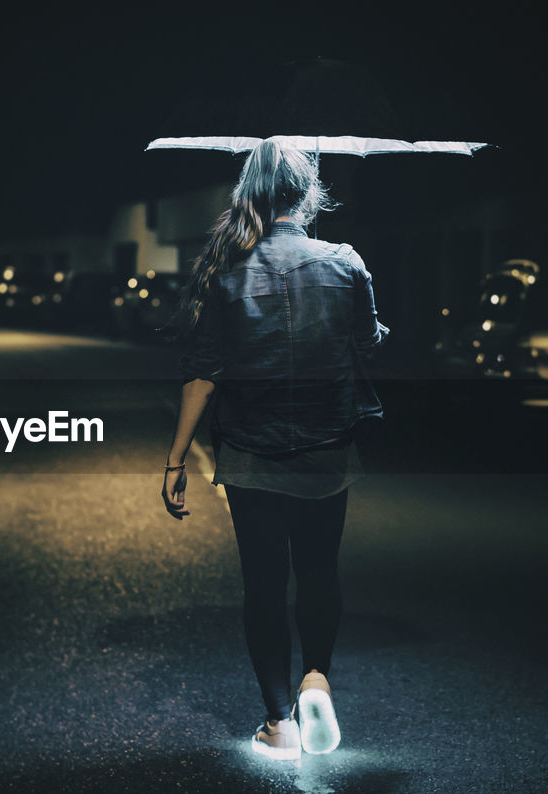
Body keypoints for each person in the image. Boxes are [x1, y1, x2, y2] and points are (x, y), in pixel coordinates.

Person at [160, 137, 390, 760]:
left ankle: (277, 724)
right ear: (308, 193)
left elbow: (202, 372)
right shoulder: (345, 261)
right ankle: (317, 678)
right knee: (320, 570)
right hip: (326, 447)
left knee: (264, 583)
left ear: (250, 194)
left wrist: (177, 459)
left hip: (251, 453)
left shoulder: (225, 269)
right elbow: (366, 344)